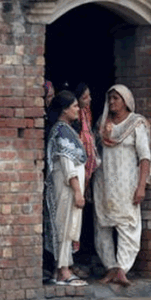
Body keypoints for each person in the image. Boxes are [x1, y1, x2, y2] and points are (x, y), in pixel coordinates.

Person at [93, 84, 151, 287]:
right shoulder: (102, 124)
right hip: (105, 181)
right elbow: (94, 153)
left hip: (127, 183)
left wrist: (141, 186)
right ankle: (110, 267)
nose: (112, 102)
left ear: (126, 100)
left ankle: (122, 269)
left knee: (128, 224)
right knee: (103, 224)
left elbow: (145, 157)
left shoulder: (136, 124)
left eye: (116, 98)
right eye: (110, 99)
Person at [43, 91, 88, 286]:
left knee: (68, 226)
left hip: (69, 187)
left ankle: (61, 269)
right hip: (66, 188)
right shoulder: (61, 131)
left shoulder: (67, 129)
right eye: (75, 106)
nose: (79, 110)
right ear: (64, 109)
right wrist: (77, 190)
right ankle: (63, 271)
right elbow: (67, 165)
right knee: (64, 226)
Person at [73, 83, 99, 194]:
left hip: (88, 159)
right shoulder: (74, 115)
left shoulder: (87, 112)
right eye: (85, 97)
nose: (89, 99)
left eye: (89, 96)